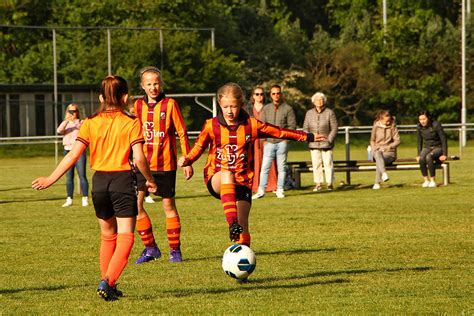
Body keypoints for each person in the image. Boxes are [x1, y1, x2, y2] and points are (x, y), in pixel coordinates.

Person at [32, 75, 157, 301]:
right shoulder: (131, 122)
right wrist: (149, 179)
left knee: (108, 235)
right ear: (125, 97)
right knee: (126, 236)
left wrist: (51, 179)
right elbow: (139, 159)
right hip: (121, 182)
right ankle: (107, 281)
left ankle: (109, 283)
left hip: (99, 183)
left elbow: (73, 155)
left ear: (100, 97)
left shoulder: (90, 122)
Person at [178, 83, 321, 248]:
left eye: (234, 106)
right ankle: (231, 223)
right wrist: (187, 159)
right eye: (226, 107)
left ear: (242, 105)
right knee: (227, 175)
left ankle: (243, 258)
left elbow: (279, 132)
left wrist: (308, 136)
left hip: (243, 180)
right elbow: (198, 146)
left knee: (243, 223)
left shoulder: (251, 125)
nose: (230, 111)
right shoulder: (212, 125)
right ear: (219, 104)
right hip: (217, 178)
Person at [133, 66, 193, 264]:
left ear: (161, 84)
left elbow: (182, 132)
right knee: (136, 204)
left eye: (156, 83)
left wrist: (187, 159)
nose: (153, 87)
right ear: (142, 86)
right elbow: (133, 134)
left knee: (168, 205)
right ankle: (151, 248)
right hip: (143, 165)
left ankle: (175, 250)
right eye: (149, 84)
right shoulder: (138, 106)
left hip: (165, 164)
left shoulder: (170, 104)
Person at [252, 85, 297, 199]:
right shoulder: (266, 108)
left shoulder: (288, 108)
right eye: (273, 93)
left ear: (281, 94)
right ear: (270, 95)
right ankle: (261, 190)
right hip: (269, 143)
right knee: (265, 167)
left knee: (281, 168)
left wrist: (286, 140)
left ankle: (280, 189)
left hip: (282, 142)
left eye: (278, 93)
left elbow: (292, 126)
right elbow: (261, 126)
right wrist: (265, 140)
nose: (276, 95)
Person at [244, 86, 277, 193]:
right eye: (257, 94)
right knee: (254, 161)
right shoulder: (248, 109)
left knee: (269, 161)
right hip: (252, 139)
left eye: (261, 94)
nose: (259, 96)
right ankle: (255, 185)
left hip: (266, 138)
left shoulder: (268, 108)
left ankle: (271, 185)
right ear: (253, 96)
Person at [302, 92, 338, 192]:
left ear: (324, 101)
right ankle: (318, 184)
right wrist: (309, 138)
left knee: (328, 163)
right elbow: (305, 128)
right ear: (313, 102)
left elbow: (334, 128)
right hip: (313, 143)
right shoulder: (309, 113)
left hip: (326, 144)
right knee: (316, 164)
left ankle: (330, 184)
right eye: (317, 99)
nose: (319, 101)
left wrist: (329, 139)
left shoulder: (330, 112)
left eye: (321, 99)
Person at [56, 103, 89, 207]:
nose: (72, 113)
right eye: (70, 111)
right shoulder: (66, 123)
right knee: (69, 177)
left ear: (77, 112)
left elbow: (85, 130)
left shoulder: (81, 122)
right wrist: (67, 120)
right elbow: (59, 131)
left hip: (79, 151)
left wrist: (76, 123)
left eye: (74, 111)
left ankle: (85, 198)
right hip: (68, 151)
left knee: (82, 175)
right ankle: (69, 198)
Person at [369, 110, 400, 190]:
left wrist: (389, 147)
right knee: (378, 154)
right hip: (377, 152)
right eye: (386, 121)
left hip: (389, 153)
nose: (388, 123)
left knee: (379, 161)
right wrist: (373, 148)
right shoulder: (375, 126)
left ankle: (377, 183)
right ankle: (384, 173)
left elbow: (397, 141)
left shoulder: (393, 127)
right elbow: (372, 140)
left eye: (389, 121)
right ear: (380, 120)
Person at [416, 110, 448, 188]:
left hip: (438, 147)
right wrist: (419, 154)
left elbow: (444, 140)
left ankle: (433, 181)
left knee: (429, 157)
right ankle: (426, 180)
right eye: (420, 119)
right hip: (427, 147)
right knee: (422, 158)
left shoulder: (436, 125)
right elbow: (419, 141)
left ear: (428, 118)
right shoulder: (419, 127)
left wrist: (444, 154)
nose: (422, 121)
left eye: (424, 119)